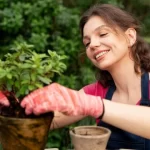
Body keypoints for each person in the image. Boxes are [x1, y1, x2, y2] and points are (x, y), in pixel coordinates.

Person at [0, 3, 150, 149]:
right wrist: (9, 107)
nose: (92, 44)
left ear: (130, 36)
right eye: (87, 42)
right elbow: (47, 121)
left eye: (103, 34)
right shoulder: (95, 93)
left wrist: (97, 106)